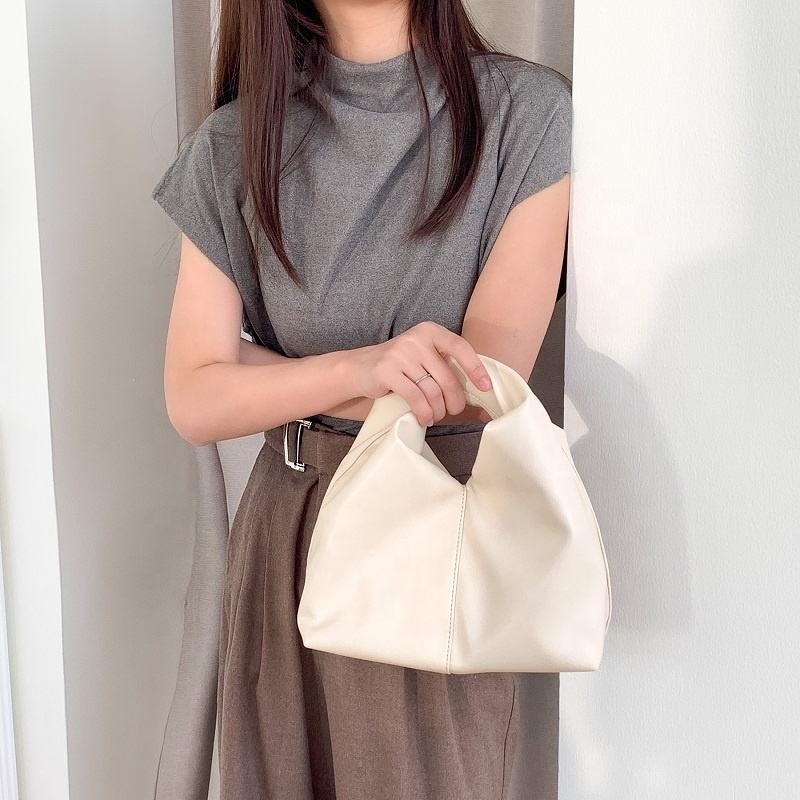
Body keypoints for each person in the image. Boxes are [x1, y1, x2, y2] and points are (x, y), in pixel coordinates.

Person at [151, 0, 572, 795]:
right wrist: (362, 368)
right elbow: (195, 398)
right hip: (289, 533)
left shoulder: (526, 114)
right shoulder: (232, 146)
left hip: (437, 528)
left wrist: (268, 374)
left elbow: (476, 386)